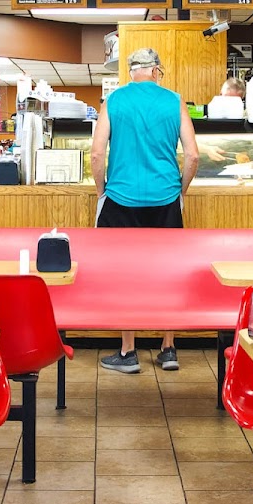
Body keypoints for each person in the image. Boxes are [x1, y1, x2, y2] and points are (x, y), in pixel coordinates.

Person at [92, 47, 199, 374]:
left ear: (130, 72)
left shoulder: (113, 102)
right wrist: (178, 191)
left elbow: (96, 155)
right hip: (165, 199)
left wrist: (101, 193)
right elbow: (193, 156)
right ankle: (168, 349)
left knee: (125, 275)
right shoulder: (175, 101)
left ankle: (128, 351)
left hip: (120, 200)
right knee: (169, 274)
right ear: (156, 71)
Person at [204, 77, 247, 162]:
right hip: (208, 162)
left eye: (235, 101)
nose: (229, 105)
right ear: (220, 94)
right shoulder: (209, 115)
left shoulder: (247, 119)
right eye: (227, 99)